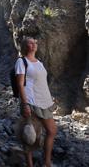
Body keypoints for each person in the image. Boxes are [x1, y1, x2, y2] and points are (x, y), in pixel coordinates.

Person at [15, 37, 57, 167]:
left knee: (52, 131)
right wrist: (25, 104)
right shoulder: (21, 62)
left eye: (35, 42)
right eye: (30, 43)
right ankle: (30, 164)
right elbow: (20, 85)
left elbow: (42, 83)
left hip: (44, 102)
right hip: (31, 102)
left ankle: (47, 162)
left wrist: (50, 99)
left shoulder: (39, 62)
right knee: (29, 135)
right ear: (24, 46)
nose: (34, 45)